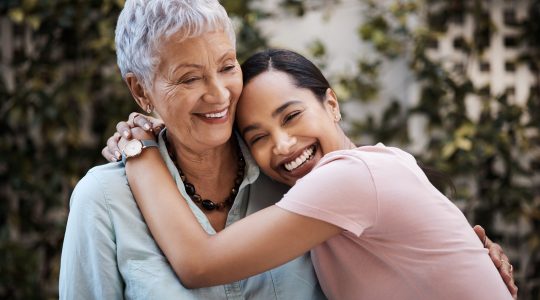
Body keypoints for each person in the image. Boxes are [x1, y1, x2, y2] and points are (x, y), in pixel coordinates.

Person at [112, 49, 516, 299]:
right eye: (258, 137)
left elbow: (199, 264)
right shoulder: (359, 176)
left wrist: (140, 149)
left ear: (332, 103)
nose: (284, 145)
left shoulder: (351, 178)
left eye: (291, 116)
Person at [59, 1, 325, 299]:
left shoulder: (289, 169)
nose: (219, 94)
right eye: (189, 78)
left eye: (226, 67)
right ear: (140, 90)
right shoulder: (104, 200)